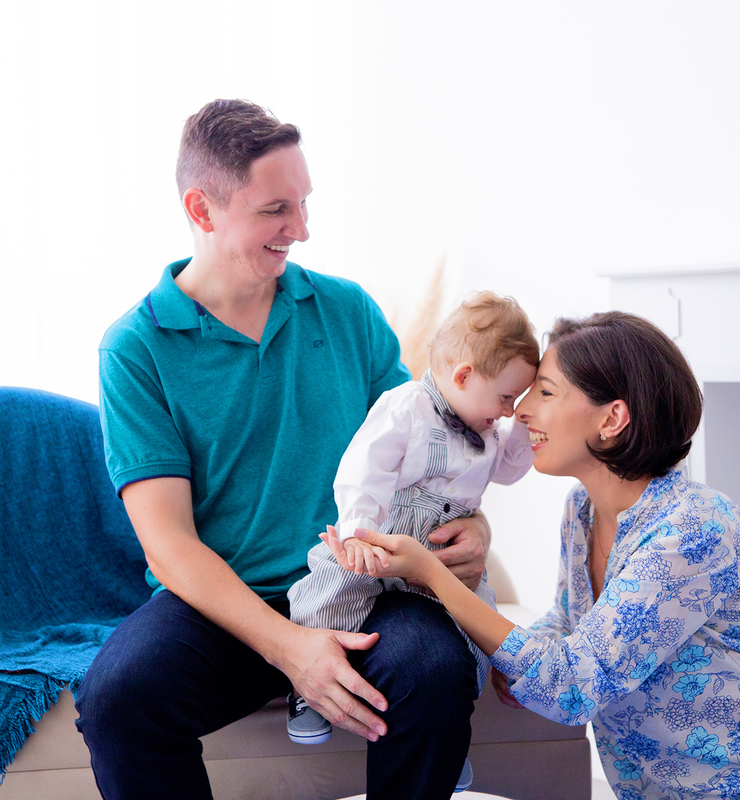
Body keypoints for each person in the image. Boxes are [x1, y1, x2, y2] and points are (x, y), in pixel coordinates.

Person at [75, 98, 493, 800]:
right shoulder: (136, 349)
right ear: (203, 210)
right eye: (276, 210)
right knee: (118, 700)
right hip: (225, 605)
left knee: (435, 669)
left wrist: (475, 529)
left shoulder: (347, 310)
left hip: (364, 584)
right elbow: (170, 546)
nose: (301, 229)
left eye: (302, 204)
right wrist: (292, 649)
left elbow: (431, 456)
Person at [321, 312, 740, 800]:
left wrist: (431, 574)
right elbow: (571, 628)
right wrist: (510, 654)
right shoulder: (584, 510)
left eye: (545, 392)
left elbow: (571, 686)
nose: (520, 413)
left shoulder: (692, 531)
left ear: (611, 418)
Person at [286, 291, 539, 783]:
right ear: (464, 376)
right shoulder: (406, 406)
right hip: (382, 534)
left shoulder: (486, 429)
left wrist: (527, 426)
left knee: (474, 623)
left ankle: (445, 739)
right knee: (331, 593)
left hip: (438, 560)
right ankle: (307, 693)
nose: (508, 411)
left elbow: (509, 471)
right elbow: (364, 469)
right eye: (507, 398)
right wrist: (359, 531)